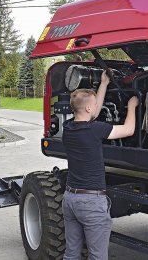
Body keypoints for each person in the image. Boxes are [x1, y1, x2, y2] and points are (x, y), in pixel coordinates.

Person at [62, 70, 139, 260]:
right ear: (88, 109)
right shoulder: (94, 130)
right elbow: (129, 130)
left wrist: (103, 84)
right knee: (97, 256)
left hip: (70, 199)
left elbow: (92, 113)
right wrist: (132, 107)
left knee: (71, 253)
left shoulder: (69, 128)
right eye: (94, 105)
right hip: (91, 203)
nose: (97, 108)